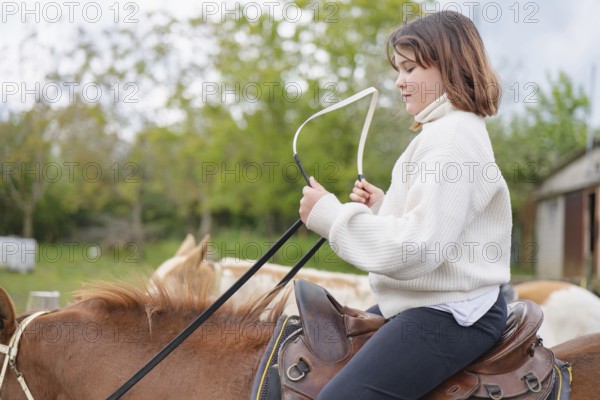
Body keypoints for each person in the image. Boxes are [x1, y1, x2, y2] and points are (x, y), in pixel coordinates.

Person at [299, 10, 511, 400]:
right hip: (431, 302)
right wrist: (382, 208)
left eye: (410, 68)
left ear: (450, 67)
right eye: (399, 69)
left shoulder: (451, 139)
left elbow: (420, 247)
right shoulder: (447, 132)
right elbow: (439, 227)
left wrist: (329, 217)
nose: (399, 81)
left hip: (451, 314)